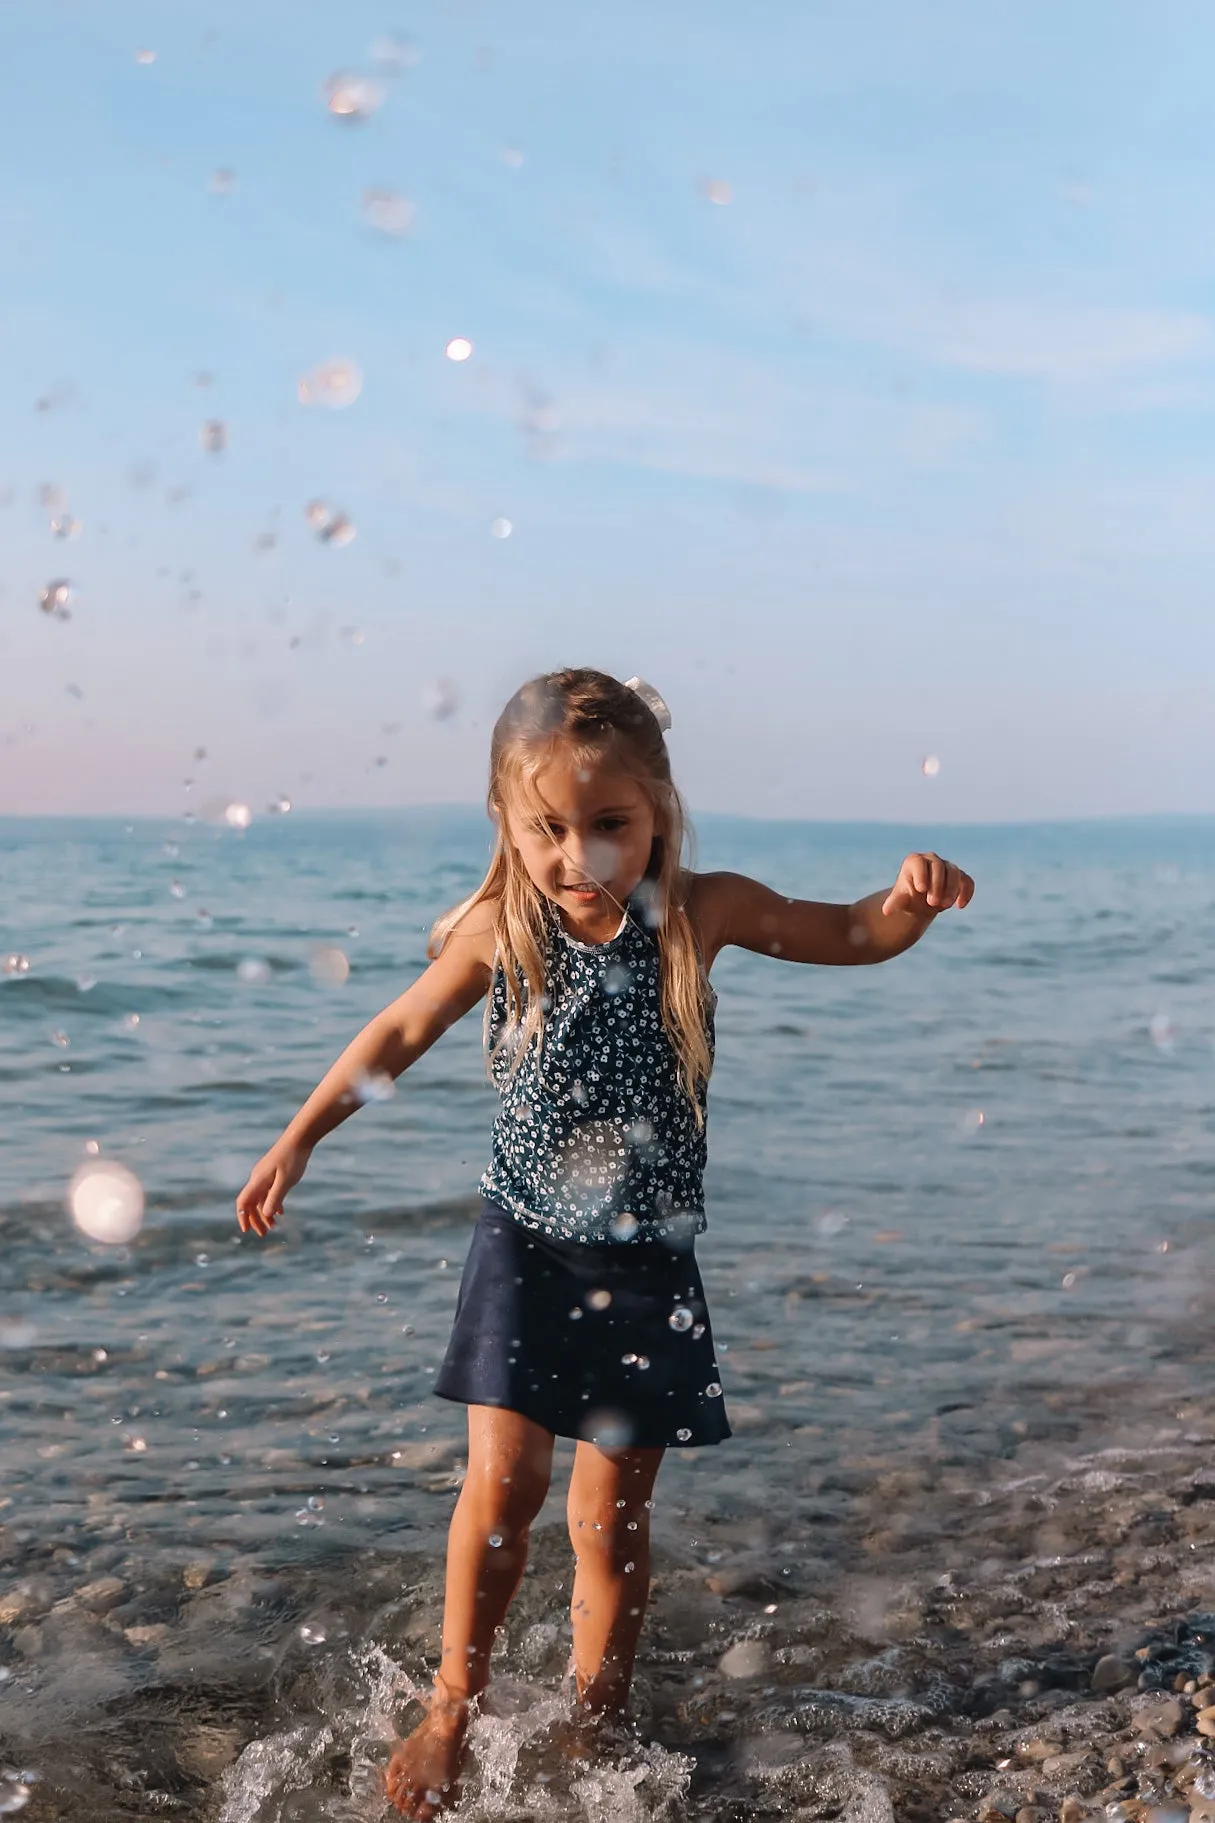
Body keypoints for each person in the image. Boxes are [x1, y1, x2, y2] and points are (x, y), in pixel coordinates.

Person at [235, 667, 975, 1818]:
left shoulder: (699, 911)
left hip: (646, 1265)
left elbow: (845, 931)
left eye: (610, 826)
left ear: (660, 813)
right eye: (549, 828)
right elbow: (395, 1029)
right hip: (524, 1245)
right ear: (507, 823)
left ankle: (595, 1725)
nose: (579, 854)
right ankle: (452, 1705)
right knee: (503, 1483)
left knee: (607, 1519)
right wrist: (299, 1140)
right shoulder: (502, 928)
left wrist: (911, 904)